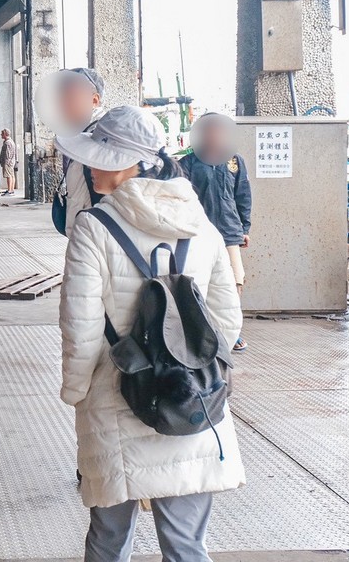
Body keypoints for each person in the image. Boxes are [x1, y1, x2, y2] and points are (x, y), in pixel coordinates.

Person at [56, 106, 245, 562]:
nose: (90, 166)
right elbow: (227, 318)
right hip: (191, 399)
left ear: (131, 161)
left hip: (117, 394)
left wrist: (77, 390)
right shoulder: (199, 222)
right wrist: (192, 363)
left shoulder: (94, 227)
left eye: (100, 156)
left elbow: (79, 326)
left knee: (108, 541)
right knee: (186, 547)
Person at [180, 112, 253, 352]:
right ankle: (204, 330)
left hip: (230, 232)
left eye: (218, 131)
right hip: (198, 234)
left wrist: (245, 227)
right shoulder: (187, 164)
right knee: (200, 282)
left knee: (235, 281)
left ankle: (231, 329)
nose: (214, 135)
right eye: (208, 131)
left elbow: (243, 195)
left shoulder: (234, 161)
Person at [55, 68, 108, 236]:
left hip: (97, 239)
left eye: (71, 97)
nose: (62, 104)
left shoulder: (103, 136)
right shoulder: (77, 135)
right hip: (82, 235)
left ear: (94, 100)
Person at [0, 128, 17, 196]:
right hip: (10, 162)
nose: (1, 135)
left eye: (2, 134)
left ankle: (10, 190)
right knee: (11, 175)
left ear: (5, 134)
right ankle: (11, 190)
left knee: (9, 175)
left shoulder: (8, 143)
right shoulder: (10, 141)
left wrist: (6, 162)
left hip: (8, 162)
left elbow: (8, 154)